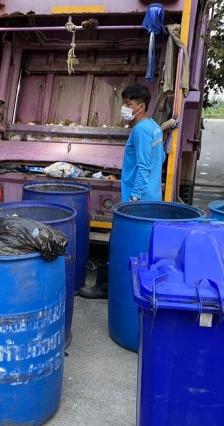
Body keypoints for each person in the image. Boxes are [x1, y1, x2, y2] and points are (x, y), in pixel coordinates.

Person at [79, 83, 165, 298]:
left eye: (129, 103)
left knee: (124, 244)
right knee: (141, 247)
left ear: (141, 107)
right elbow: (160, 158)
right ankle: (131, 289)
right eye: (124, 102)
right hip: (152, 196)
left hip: (138, 200)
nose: (124, 107)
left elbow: (143, 166)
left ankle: (108, 287)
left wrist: (134, 197)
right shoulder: (154, 127)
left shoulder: (141, 130)